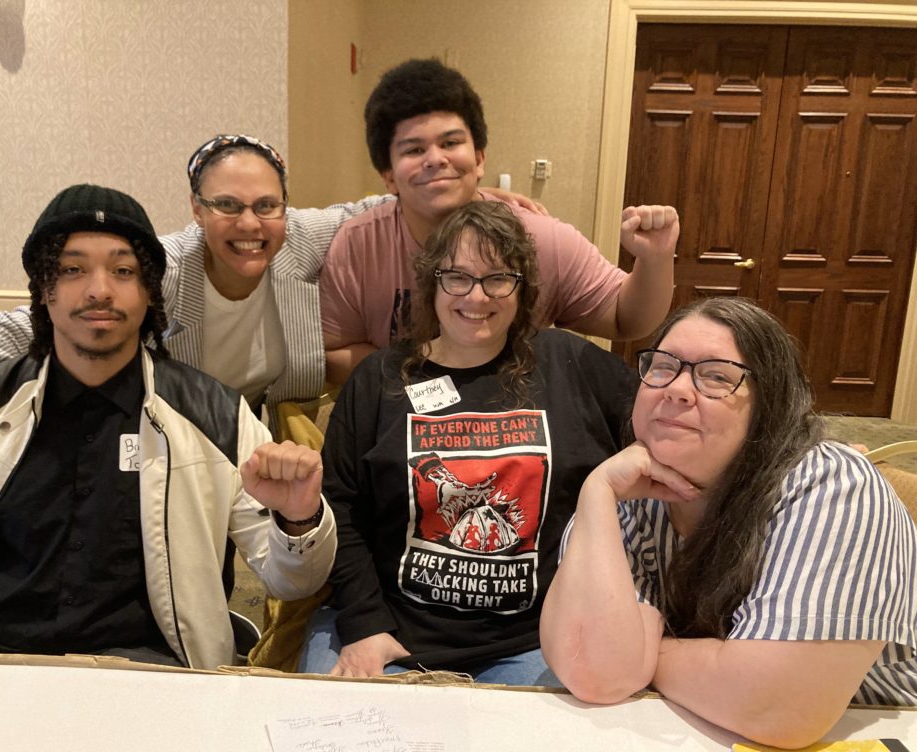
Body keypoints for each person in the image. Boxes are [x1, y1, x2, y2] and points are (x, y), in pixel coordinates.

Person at [0, 135, 544, 486]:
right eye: (226, 206)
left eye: (266, 205)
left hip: (262, 423)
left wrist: (470, 197)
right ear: (196, 208)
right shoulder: (157, 267)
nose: (250, 224)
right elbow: (19, 324)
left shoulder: (299, 237)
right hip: (173, 429)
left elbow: (382, 206)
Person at [0, 184, 336, 670]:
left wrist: (298, 520)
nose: (99, 289)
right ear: (45, 289)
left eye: (123, 271)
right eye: (73, 269)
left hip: (147, 667)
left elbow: (292, 581)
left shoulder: (215, 413)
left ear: (149, 291)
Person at [539, 297, 917, 747]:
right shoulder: (624, 491)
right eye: (662, 366)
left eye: (716, 376)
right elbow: (596, 673)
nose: (676, 389)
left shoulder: (833, 487)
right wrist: (596, 493)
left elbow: (782, 709)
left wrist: (641, 655)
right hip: (684, 725)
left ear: (770, 406)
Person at [299, 201, 638, 684]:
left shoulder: (571, 364)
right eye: (457, 277)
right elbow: (339, 508)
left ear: (523, 289)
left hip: (535, 640)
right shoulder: (381, 378)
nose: (476, 297)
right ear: (432, 282)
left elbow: (660, 427)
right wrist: (365, 623)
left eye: (498, 278)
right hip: (387, 631)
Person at [320, 58, 680, 384]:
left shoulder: (541, 238)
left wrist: (655, 259)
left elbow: (626, 319)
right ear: (388, 175)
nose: (435, 159)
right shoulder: (358, 245)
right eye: (414, 150)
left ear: (479, 158)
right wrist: (434, 378)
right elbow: (333, 354)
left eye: (450, 142)